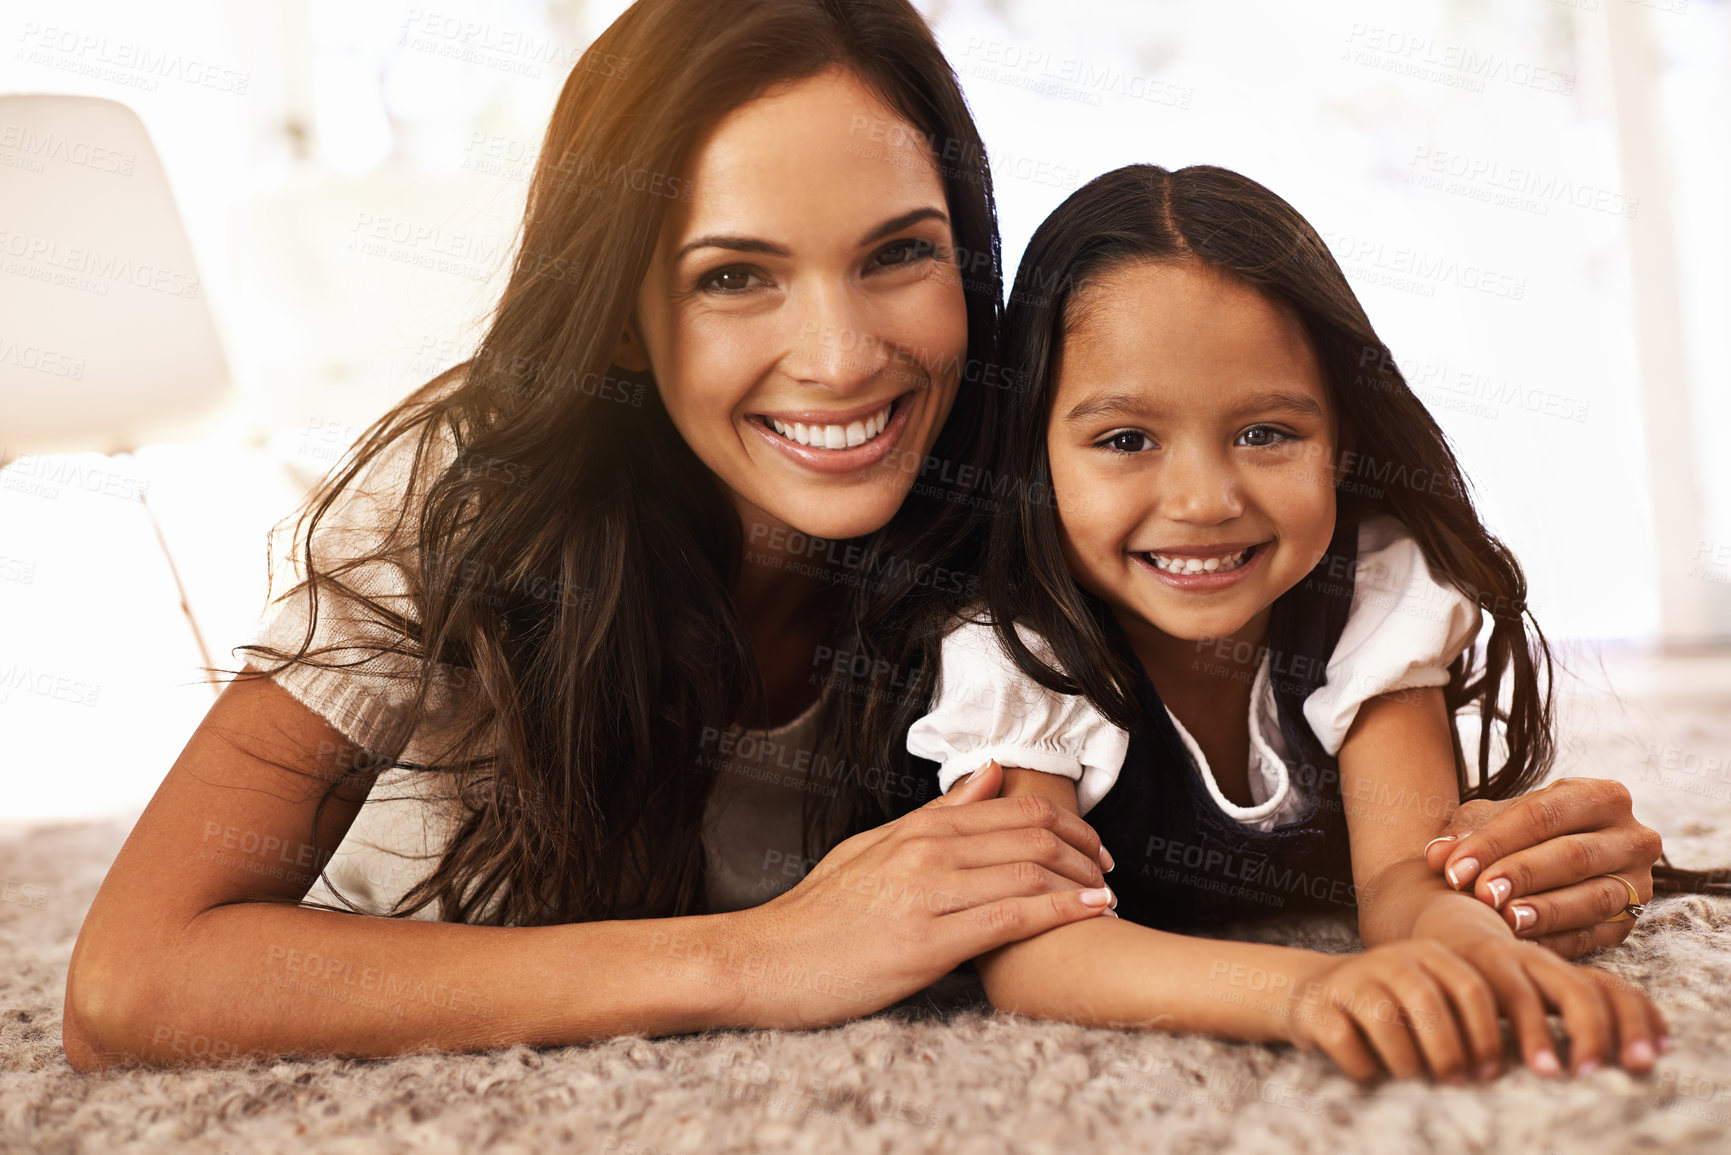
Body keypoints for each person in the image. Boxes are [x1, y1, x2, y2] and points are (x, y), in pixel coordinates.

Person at [61, 1, 1669, 1072]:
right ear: (621, 312)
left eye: (896, 256)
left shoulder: (1022, 488)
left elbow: (1197, 787)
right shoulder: (468, 506)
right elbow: (130, 981)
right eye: (733, 275)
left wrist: (1468, 876)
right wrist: (751, 959)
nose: (840, 358)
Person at [903, 164, 1691, 1085]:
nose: (1203, 500)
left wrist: (1478, 949)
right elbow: (1036, 946)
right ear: (1034, 451)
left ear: (1341, 441)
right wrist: (1312, 991)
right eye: (1125, 441)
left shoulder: (1374, 588)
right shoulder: (1015, 643)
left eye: (1265, 432)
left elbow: (1405, 875)